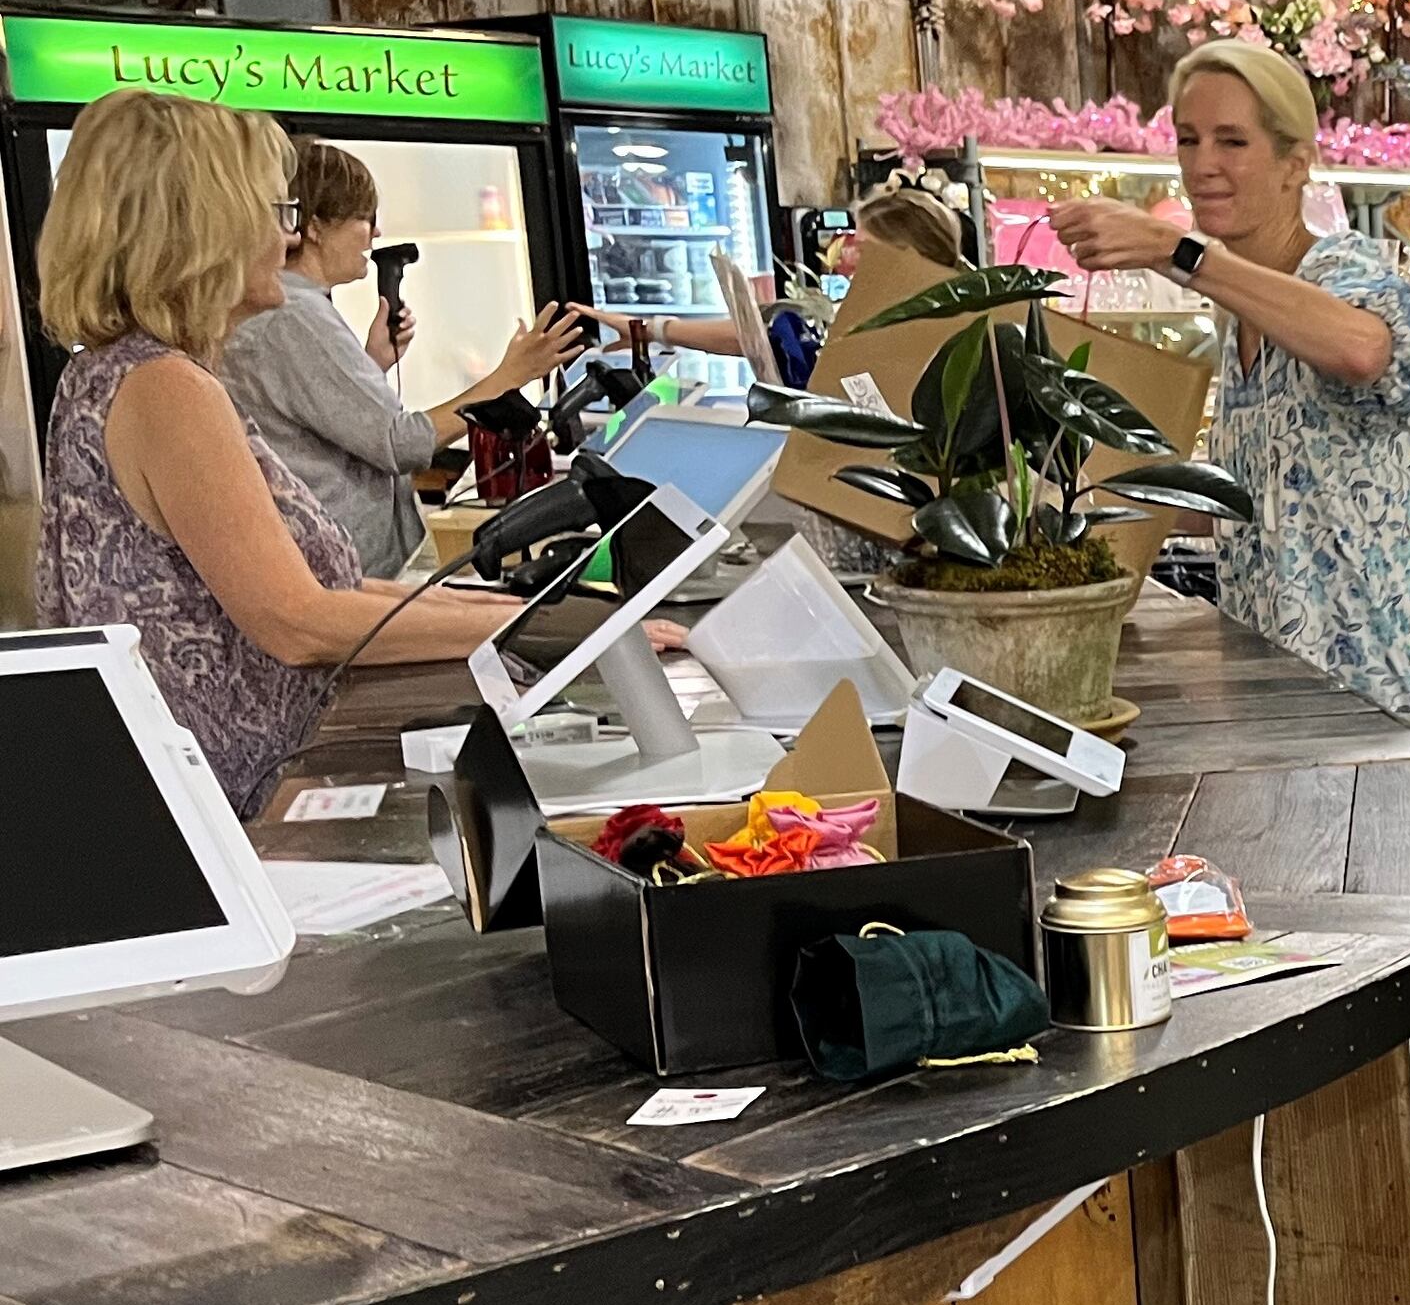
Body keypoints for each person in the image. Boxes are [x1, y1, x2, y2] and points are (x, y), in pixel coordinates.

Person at [1044, 42, 1410, 1305]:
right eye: (1188, 143)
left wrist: (1170, 251)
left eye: (1232, 142)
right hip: (1303, 695)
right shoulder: (1233, 334)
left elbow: (1370, 354)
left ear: (1297, 157)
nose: (1206, 168)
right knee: (1307, 976)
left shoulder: (1345, 278)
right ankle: (1323, 1283)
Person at [34, 90, 528, 816]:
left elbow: (322, 585)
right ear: (206, 227)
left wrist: (506, 607)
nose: (289, 239)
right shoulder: (164, 388)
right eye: (278, 214)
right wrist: (525, 628)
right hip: (247, 809)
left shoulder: (116, 371)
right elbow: (297, 623)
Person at [221, 135, 585, 578]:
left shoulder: (299, 310)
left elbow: (316, 424)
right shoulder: (294, 315)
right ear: (314, 226)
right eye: (364, 218)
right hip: (353, 575)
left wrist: (371, 362)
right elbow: (399, 443)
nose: (374, 233)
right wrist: (508, 378)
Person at [598, 187, 970, 370]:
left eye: (865, 248)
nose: (849, 261)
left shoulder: (952, 338)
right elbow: (757, 337)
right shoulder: (863, 319)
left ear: (907, 253)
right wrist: (653, 331)